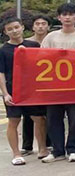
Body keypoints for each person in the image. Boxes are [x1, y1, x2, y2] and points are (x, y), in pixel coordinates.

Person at [41, 3, 75, 163]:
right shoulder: (51, 37)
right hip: (54, 86)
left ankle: (73, 149)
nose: (67, 17)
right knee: (53, 119)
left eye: (71, 14)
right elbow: (42, 57)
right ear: (59, 17)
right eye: (64, 14)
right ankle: (57, 151)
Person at [1, 17, 47, 165]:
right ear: (5, 32)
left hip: (32, 89)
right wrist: (5, 93)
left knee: (39, 118)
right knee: (14, 120)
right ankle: (16, 154)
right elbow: (1, 73)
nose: (14, 31)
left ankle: (42, 149)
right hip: (12, 90)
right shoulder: (3, 50)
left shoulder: (33, 45)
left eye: (16, 27)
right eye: (10, 29)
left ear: (22, 27)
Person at [21, 15, 50, 156]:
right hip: (29, 83)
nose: (40, 26)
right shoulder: (25, 43)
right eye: (37, 24)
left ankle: (48, 144)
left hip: (48, 83)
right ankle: (27, 146)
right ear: (32, 27)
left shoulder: (51, 41)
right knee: (28, 116)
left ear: (48, 26)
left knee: (48, 115)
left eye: (43, 23)